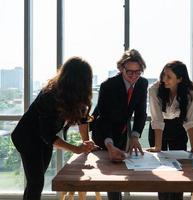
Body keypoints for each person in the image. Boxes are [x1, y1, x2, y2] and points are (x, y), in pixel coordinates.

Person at [11, 57, 96, 200]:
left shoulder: (76, 94)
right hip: (26, 137)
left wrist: (86, 144)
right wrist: (76, 149)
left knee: (35, 181)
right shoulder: (50, 95)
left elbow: (82, 120)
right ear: (76, 80)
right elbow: (48, 136)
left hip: (43, 139)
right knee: (36, 182)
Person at [91, 49, 148, 200]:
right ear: (121, 68)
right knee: (111, 175)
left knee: (122, 172)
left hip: (123, 132)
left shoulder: (142, 83)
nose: (134, 76)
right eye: (130, 72)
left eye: (138, 72)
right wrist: (109, 144)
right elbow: (104, 118)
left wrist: (135, 136)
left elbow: (141, 113)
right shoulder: (108, 86)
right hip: (104, 132)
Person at [148, 60, 193, 200]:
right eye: (163, 74)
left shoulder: (191, 92)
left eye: (169, 76)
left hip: (178, 126)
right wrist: (158, 147)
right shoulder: (154, 89)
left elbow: (190, 120)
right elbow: (157, 119)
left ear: (180, 79)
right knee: (162, 172)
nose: (164, 79)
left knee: (180, 171)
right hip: (158, 130)